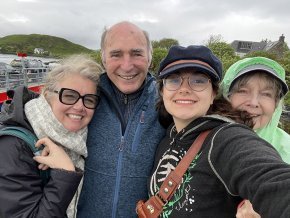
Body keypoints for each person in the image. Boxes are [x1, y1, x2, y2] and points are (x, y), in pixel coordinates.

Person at [147, 45, 290, 217]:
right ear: (162, 91)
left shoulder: (226, 138)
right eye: (173, 80)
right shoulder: (167, 135)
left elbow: (274, 182)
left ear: (214, 93)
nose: (184, 89)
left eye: (198, 80)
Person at [77, 21, 166, 217]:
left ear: (150, 57)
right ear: (103, 59)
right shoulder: (84, 99)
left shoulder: (169, 103)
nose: (127, 66)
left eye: (137, 54)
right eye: (116, 54)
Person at [0, 54, 103, 218]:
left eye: (89, 99)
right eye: (69, 96)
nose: (79, 106)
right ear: (47, 94)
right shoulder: (12, 147)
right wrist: (65, 173)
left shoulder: (78, 139)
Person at [220, 57, 290, 218]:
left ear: (276, 103)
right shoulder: (204, 138)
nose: (253, 102)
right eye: (243, 91)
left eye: (266, 94)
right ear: (226, 96)